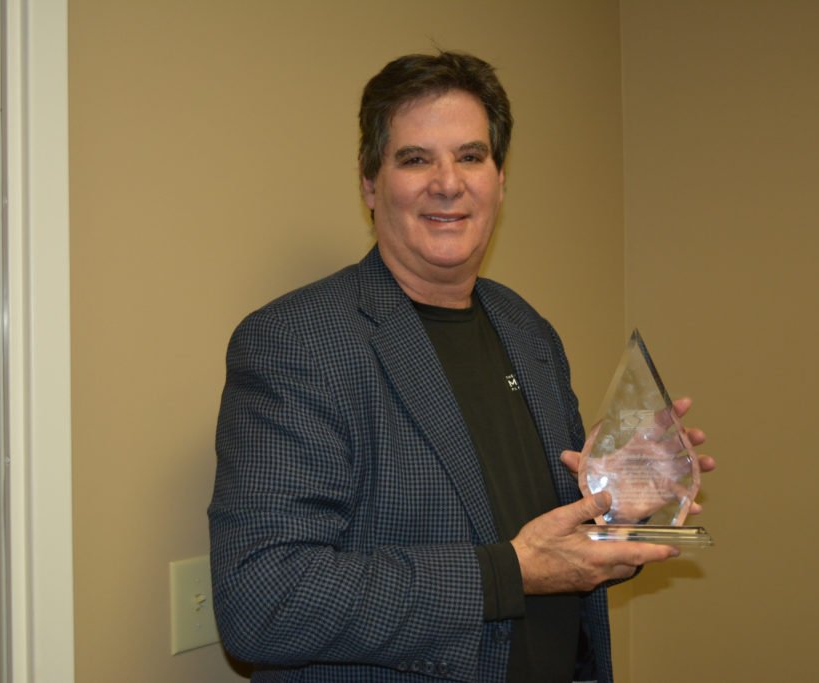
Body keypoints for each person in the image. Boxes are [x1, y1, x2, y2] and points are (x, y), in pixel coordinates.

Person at [209, 51, 714, 682]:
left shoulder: (528, 331)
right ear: (370, 184)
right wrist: (508, 573)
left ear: (500, 180)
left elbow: (553, 549)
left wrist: (618, 511)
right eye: (415, 158)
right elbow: (263, 599)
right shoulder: (296, 341)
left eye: (471, 156)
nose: (447, 182)